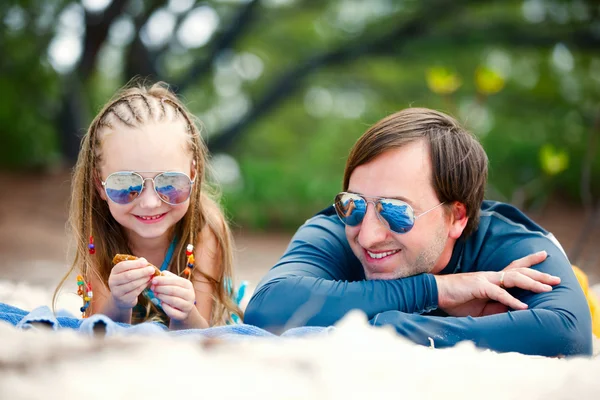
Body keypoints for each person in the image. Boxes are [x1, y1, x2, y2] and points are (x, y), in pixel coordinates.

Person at [245, 108, 593, 357]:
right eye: (354, 203)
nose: (367, 236)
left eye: (395, 211)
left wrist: (394, 324)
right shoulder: (335, 229)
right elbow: (268, 307)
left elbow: (569, 336)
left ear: (456, 217)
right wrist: (436, 291)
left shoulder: (512, 245)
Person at [53, 81, 243, 330]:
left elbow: (200, 332)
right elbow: (98, 327)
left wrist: (185, 312)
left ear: (193, 173)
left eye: (170, 183)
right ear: (99, 184)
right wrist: (119, 304)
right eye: (126, 185)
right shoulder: (99, 230)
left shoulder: (205, 228)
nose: (151, 202)